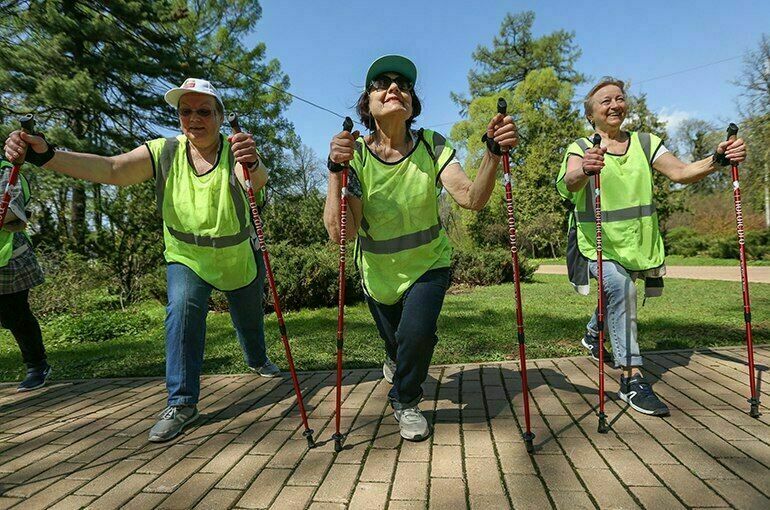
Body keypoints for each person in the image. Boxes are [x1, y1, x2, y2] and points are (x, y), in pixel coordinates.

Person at [4, 78, 281, 442]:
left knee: (248, 321)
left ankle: (257, 358)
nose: (194, 118)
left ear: (219, 116)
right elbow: (112, 169)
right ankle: (182, 402)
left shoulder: (237, 150)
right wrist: (47, 155)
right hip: (187, 256)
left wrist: (254, 160)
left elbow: (258, 182)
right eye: (186, 111)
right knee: (180, 312)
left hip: (237, 256)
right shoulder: (164, 151)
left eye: (204, 111)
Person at [324, 55, 518, 441]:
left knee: (418, 333)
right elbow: (341, 233)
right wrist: (335, 171)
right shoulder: (357, 156)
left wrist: (493, 154)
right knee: (397, 343)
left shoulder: (432, 145)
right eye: (383, 83)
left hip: (430, 263)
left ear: (412, 104)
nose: (395, 87)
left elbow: (471, 198)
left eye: (404, 84)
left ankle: (406, 401)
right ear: (368, 103)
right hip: (377, 272)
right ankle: (396, 360)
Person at [556, 76, 747, 416]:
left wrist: (717, 160)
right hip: (594, 245)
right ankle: (632, 378)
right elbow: (569, 181)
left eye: (619, 98)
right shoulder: (581, 147)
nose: (615, 105)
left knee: (620, 293)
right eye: (606, 101)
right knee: (621, 287)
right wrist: (585, 169)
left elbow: (681, 172)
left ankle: (592, 333)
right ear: (591, 115)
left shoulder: (646, 144)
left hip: (637, 244)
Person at [0, 156, 49, 391]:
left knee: (15, 316)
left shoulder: (7, 172)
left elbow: (12, 213)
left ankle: (37, 366)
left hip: (9, 258)